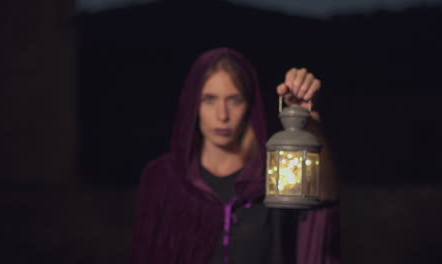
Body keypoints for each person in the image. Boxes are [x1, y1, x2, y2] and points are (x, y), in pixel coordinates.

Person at [132, 47, 339, 264]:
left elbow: (323, 203)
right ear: (192, 104)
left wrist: (307, 118)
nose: (222, 115)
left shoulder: (274, 174)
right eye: (209, 99)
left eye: (234, 100)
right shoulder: (164, 178)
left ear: (249, 105)